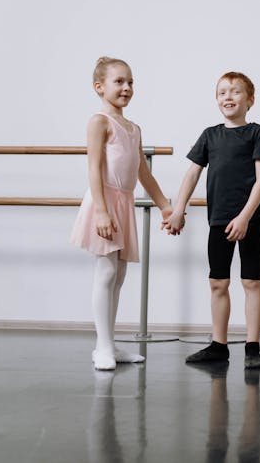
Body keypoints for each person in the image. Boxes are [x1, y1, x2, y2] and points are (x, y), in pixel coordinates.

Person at [163, 72, 260, 369]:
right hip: (218, 221)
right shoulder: (210, 135)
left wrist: (244, 217)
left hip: (251, 220)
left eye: (236, 92)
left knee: (251, 281)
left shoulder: (257, 133)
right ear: (216, 99)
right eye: (222, 92)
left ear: (250, 100)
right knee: (217, 282)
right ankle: (218, 344)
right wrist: (178, 209)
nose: (228, 96)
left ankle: (252, 347)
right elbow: (192, 174)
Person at [71, 57, 173, 371]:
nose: (126, 88)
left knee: (119, 277)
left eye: (130, 82)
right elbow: (93, 168)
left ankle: (110, 343)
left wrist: (165, 206)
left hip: (123, 203)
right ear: (99, 87)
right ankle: (101, 346)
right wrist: (101, 211)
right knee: (106, 273)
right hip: (104, 201)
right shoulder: (99, 121)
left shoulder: (133, 128)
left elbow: (144, 174)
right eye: (119, 82)